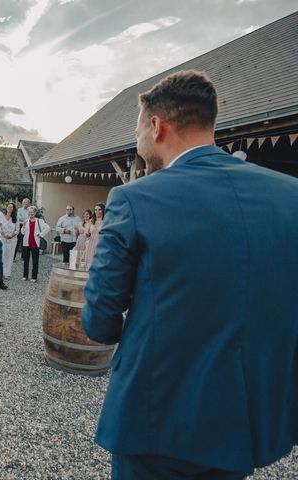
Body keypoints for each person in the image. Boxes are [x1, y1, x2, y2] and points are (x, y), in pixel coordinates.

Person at [82, 70, 298, 479]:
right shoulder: (291, 197)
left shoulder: (133, 198)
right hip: (245, 420)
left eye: (137, 127)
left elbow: (99, 322)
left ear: (156, 126)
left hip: (155, 415)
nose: (136, 137)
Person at [20, 205, 50, 283]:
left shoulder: (39, 221)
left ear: (35, 212)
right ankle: (25, 276)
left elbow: (48, 228)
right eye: (29, 212)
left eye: (32, 212)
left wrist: (40, 235)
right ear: (28, 213)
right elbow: (22, 233)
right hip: (26, 243)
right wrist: (23, 226)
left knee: (35, 261)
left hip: (35, 243)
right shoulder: (26, 221)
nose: (31, 214)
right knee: (26, 261)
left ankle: (34, 277)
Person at [0, 202, 18, 280]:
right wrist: (3, 235)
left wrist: (12, 235)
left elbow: (17, 230)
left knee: (9, 257)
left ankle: (7, 274)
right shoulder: (2, 217)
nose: (10, 209)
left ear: (13, 209)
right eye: (9, 207)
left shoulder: (16, 218)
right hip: (2, 239)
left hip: (12, 240)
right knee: (0, 257)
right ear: (6, 208)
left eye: (11, 207)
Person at [81, 203, 104, 270]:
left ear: (103, 210)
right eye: (96, 210)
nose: (97, 211)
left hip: (101, 244)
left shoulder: (106, 221)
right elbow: (86, 232)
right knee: (90, 264)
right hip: (91, 243)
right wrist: (87, 234)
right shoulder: (91, 221)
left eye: (99, 210)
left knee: (99, 264)